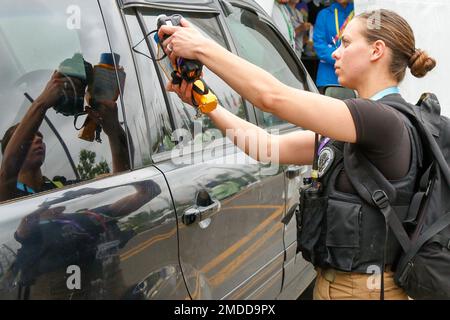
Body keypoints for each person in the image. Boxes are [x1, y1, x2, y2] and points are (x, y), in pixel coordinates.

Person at [158, 9, 436, 299]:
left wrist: (201, 46)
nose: (336, 53)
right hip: (338, 285)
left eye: (347, 43)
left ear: (376, 51)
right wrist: (207, 102)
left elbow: (272, 97)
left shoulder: (382, 120)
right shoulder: (359, 124)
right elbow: (268, 147)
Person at [0, 64, 130, 202]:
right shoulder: (8, 198)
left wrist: (113, 130)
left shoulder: (64, 189)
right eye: (29, 138)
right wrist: (42, 102)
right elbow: (6, 172)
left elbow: (121, 190)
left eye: (40, 136)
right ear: (9, 148)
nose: (38, 139)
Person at [313, 0, 354, 93]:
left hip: (354, 76)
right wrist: (344, 58)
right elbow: (319, 45)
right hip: (328, 77)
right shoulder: (324, 14)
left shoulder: (360, 14)